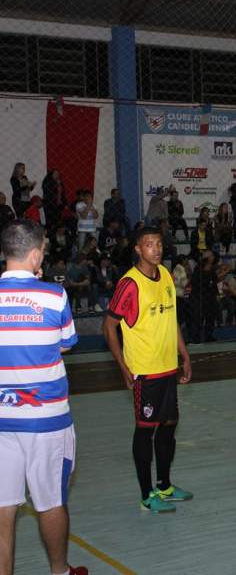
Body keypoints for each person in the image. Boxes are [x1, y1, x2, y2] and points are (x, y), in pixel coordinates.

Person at [0, 220, 88, 575]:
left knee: (3, 508)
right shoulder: (53, 295)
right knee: (50, 502)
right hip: (46, 420)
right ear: (36, 254)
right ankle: (60, 571)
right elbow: (66, 343)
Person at [103, 227, 193, 513]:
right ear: (138, 250)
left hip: (168, 368)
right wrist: (122, 366)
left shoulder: (165, 275)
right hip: (145, 370)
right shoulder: (129, 284)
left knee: (168, 427)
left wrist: (185, 355)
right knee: (145, 432)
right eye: (149, 245)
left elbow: (172, 319)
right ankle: (146, 495)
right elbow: (109, 326)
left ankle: (164, 486)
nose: (156, 248)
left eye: (159, 244)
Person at [189, 257, 219, 343]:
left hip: (210, 298)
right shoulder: (198, 271)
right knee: (198, 319)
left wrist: (216, 295)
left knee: (210, 318)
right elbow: (195, 284)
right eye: (209, 264)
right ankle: (196, 337)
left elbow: (214, 284)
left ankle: (208, 336)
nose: (210, 265)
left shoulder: (212, 272)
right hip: (199, 298)